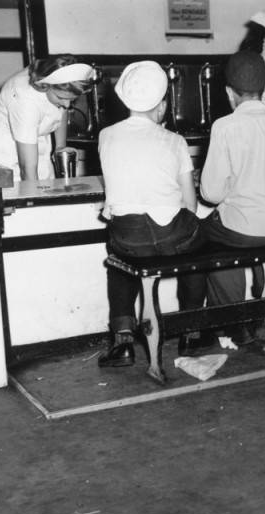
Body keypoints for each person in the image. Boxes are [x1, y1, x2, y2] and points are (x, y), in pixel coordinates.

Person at [97, 61, 206, 382]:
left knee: (119, 259)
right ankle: (190, 331)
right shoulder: (175, 141)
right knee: (197, 251)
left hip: (130, 237)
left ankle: (123, 340)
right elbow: (190, 203)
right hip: (173, 235)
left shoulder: (106, 136)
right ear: (161, 105)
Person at [200, 50, 265, 346]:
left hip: (245, 230)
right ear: (264, 90)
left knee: (212, 237)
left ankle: (231, 322)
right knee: (257, 231)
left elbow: (211, 193)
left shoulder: (225, 126)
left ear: (229, 93)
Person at [0, 54, 92, 181]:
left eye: (71, 100)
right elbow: (27, 170)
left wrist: (60, 146)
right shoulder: (25, 101)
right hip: (4, 152)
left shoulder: (56, 81)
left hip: (36, 141)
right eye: (61, 98)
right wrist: (33, 197)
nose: (67, 105)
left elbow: (62, 107)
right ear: (45, 86)